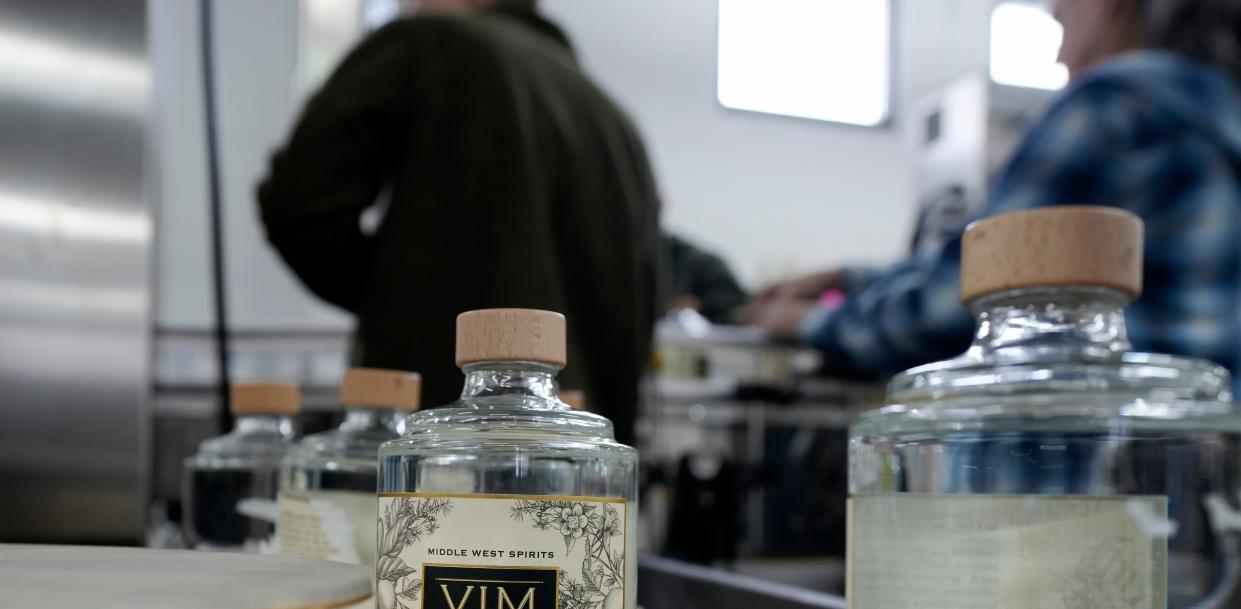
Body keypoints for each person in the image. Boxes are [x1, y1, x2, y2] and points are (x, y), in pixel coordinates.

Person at [752, 0, 1241, 385]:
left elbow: (967, 303)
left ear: (1106, 3)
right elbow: (1024, 264)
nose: (1057, 52)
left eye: (1059, 19)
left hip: (1105, 468)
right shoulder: (1217, 110)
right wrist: (847, 277)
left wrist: (811, 323)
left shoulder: (1112, 107)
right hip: (1205, 465)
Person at [257, 0, 661, 442]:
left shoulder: (432, 44)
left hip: (437, 452)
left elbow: (300, 204)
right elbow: (645, 301)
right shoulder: (618, 124)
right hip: (582, 474)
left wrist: (402, 299)